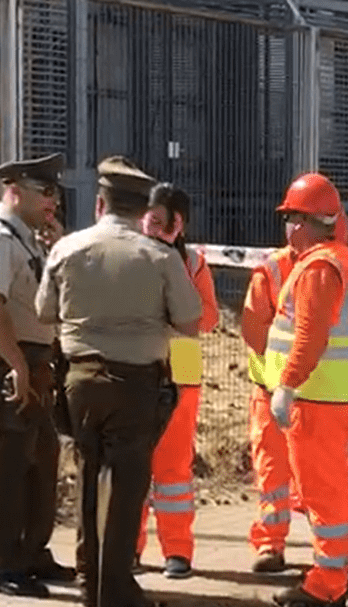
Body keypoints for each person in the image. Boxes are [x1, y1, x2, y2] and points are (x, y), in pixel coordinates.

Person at [35, 156, 203, 607]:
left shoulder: (67, 249)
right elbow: (191, 322)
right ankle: (117, 592)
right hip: (136, 383)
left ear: (99, 202)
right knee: (128, 484)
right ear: (141, 207)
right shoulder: (161, 256)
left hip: (80, 380)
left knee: (89, 475)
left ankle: (89, 580)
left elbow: (44, 311)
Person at [262, 172, 348, 607]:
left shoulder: (318, 267)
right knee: (331, 485)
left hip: (317, 398)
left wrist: (285, 387)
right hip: (336, 396)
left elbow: (310, 336)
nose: (287, 227)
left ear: (307, 222)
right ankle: (345, 559)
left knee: (319, 491)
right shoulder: (344, 262)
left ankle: (327, 584)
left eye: (291, 217)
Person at [0, 152, 75, 597]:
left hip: (37, 361)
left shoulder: (29, 239)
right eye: (45, 191)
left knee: (42, 456)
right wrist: (17, 365)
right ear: (14, 190)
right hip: (12, 360)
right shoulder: (0, 238)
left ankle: (32, 551)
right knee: (13, 459)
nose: (53, 200)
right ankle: (5, 561)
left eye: (56, 192)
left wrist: (56, 248)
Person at [135, 183, 219, 578]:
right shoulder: (129, 255)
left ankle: (178, 552)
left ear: (177, 223)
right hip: (138, 364)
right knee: (131, 462)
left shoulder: (195, 264)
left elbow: (210, 317)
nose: (146, 226)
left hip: (181, 367)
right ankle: (127, 549)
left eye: (154, 220)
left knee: (173, 467)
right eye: (144, 218)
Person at [241, 240, 297, 573]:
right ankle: (270, 544)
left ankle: (337, 550)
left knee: (323, 475)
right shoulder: (273, 270)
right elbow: (253, 329)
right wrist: (288, 371)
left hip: (319, 395)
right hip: (274, 389)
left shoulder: (338, 267)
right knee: (272, 471)